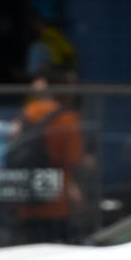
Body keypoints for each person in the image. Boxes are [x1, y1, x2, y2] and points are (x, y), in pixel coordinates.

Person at [11, 71, 85, 244]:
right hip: (57, 202)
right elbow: (74, 160)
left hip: (26, 199)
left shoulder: (26, 113)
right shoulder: (67, 119)